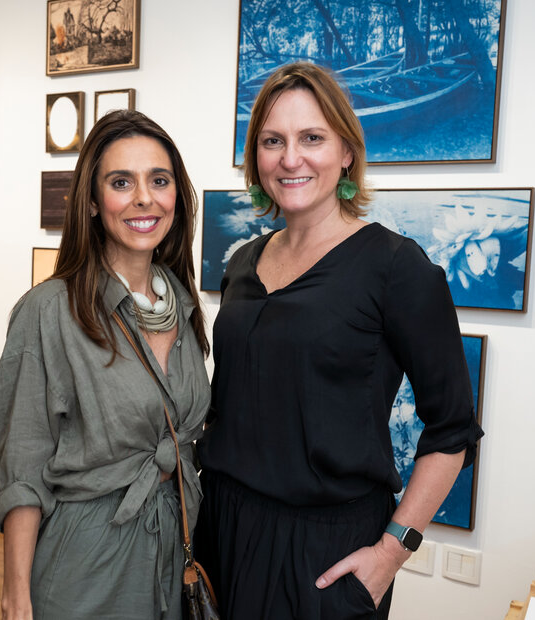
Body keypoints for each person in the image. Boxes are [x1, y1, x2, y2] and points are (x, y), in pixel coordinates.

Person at [194, 62, 484, 619]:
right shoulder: (242, 264)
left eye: (312, 138)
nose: (290, 158)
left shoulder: (398, 268)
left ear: (346, 151)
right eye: (272, 141)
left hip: (327, 554)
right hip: (223, 528)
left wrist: (392, 552)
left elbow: (453, 430)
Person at [0, 109, 211, 619]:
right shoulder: (48, 311)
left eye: (159, 180)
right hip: (86, 558)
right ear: (91, 201)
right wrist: (15, 593)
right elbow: (23, 462)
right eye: (120, 182)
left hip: (172, 547)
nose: (143, 198)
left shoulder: (182, 300)